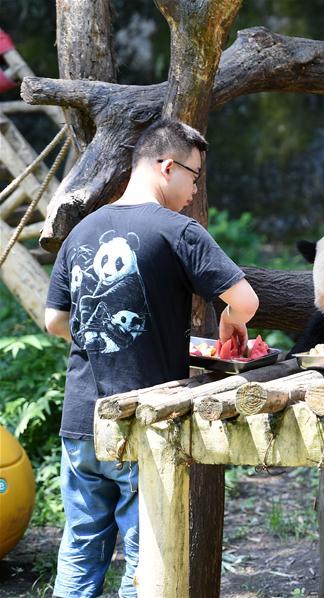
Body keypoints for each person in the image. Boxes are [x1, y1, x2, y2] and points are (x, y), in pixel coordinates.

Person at [44, 118, 258, 597]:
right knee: (147, 557)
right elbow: (245, 301)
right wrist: (230, 321)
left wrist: (101, 339)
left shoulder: (83, 231)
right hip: (145, 422)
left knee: (80, 548)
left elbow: (54, 321)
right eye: (194, 175)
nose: (195, 188)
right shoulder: (179, 230)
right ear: (167, 166)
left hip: (82, 421)